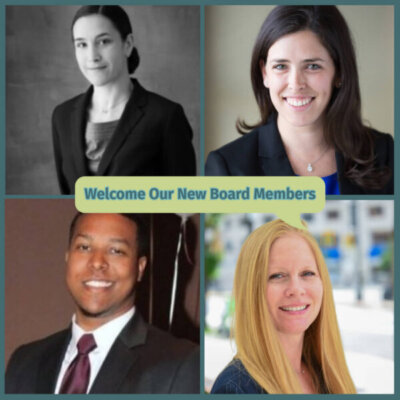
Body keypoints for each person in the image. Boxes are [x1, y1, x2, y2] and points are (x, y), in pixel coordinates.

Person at [205, 6, 393, 195]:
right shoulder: (228, 169)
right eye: (280, 66)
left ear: (339, 72)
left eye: (312, 66)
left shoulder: (384, 153)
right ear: (265, 73)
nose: (296, 84)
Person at [6, 213, 199, 394]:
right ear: (67, 257)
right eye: (84, 247)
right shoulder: (24, 362)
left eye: (116, 251)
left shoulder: (181, 363)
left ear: (140, 268)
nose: (97, 262)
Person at [52, 6, 196, 195]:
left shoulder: (165, 116)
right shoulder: (62, 116)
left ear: (127, 44)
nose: (92, 56)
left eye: (103, 42)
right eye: (82, 44)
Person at [211, 219, 356, 394]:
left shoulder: (328, 375)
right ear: (252, 290)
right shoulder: (234, 389)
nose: (296, 289)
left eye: (307, 273)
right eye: (277, 276)